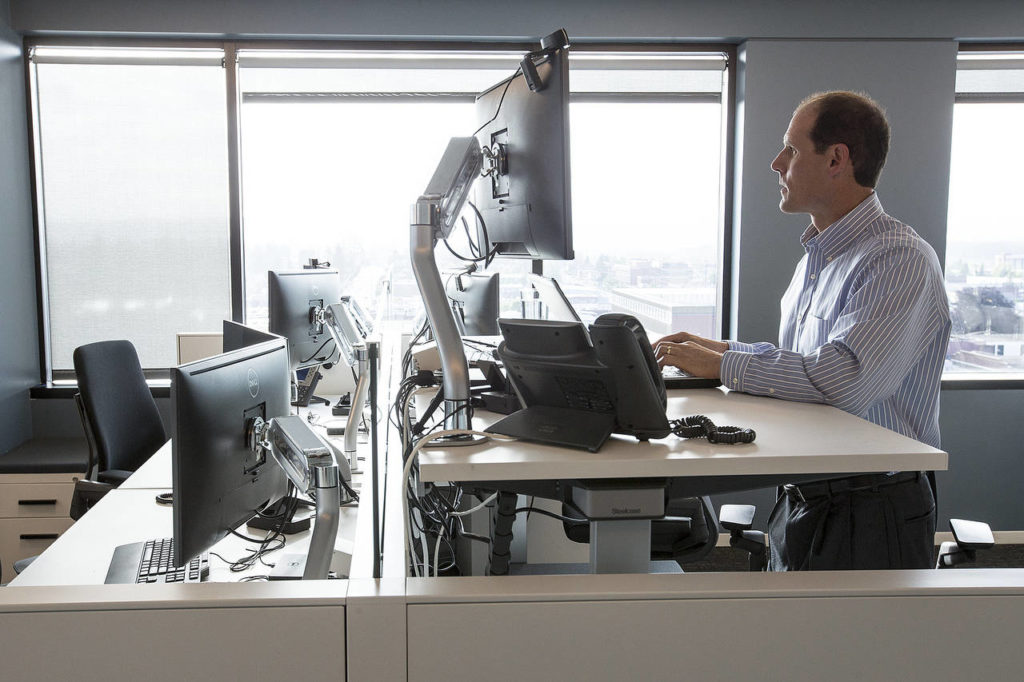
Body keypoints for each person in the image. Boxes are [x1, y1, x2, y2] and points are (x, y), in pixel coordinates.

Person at [654, 91, 950, 571]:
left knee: (852, 646)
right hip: (807, 491)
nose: (776, 163)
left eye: (790, 149)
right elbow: (806, 359)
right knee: (794, 640)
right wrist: (718, 348)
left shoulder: (898, 259)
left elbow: (843, 380)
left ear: (836, 159)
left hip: (869, 503)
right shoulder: (820, 257)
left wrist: (723, 364)